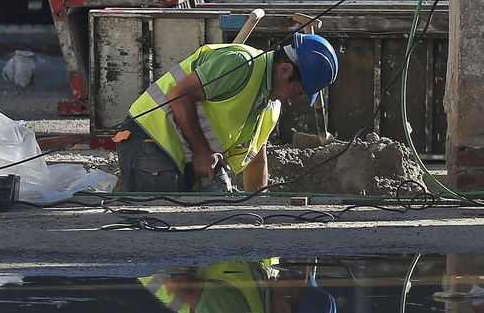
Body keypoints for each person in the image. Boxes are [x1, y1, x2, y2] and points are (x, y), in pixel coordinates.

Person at [118, 33, 339, 193]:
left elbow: (256, 161)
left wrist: (258, 209)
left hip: (180, 157)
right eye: (296, 91)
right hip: (148, 141)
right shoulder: (241, 64)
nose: (292, 100)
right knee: (162, 231)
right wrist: (201, 151)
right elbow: (179, 95)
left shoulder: (270, 106)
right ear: (285, 69)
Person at [139, 260, 338, 313]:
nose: (291, 278)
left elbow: (178, 284)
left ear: (284, 308)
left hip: (150, 263)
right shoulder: (267, 278)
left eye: (295, 287)